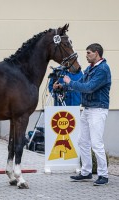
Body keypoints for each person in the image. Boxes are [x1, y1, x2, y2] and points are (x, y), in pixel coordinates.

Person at [63, 43, 111, 186]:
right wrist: (63, 86)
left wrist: (70, 82)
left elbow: (88, 88)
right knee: (82, 142)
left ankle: (103, 175)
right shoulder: (90, 68)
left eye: (89, 53)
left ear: (96, 53)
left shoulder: (103, 69)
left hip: (98, 110)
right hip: (88, 109)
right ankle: (86, 172)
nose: (86, 55)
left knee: (96, 143)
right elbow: (80, 83)